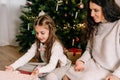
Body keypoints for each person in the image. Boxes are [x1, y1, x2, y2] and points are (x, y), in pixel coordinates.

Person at [64, 0, 120, 80]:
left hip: (111, 71)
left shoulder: (118, 25)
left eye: (96, 10)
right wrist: (82, 61)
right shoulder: (95, 25)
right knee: (66, 75)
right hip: (94, 65)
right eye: (90, 10)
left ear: (107, 9)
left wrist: (117, 75)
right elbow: (89, 49)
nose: (91, 14)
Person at [5, 14, 71, 80]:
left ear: (50, 31)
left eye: (42, 33)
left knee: (50, 77)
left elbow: (52, 65)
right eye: (37, 33)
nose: (39, 36)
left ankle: (64, 75)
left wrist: (39, 70)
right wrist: (12, 66)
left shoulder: (56, 46)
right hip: (46, 64)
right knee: (19, 67)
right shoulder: (37, 44)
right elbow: (27, 56)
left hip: (59, 66)